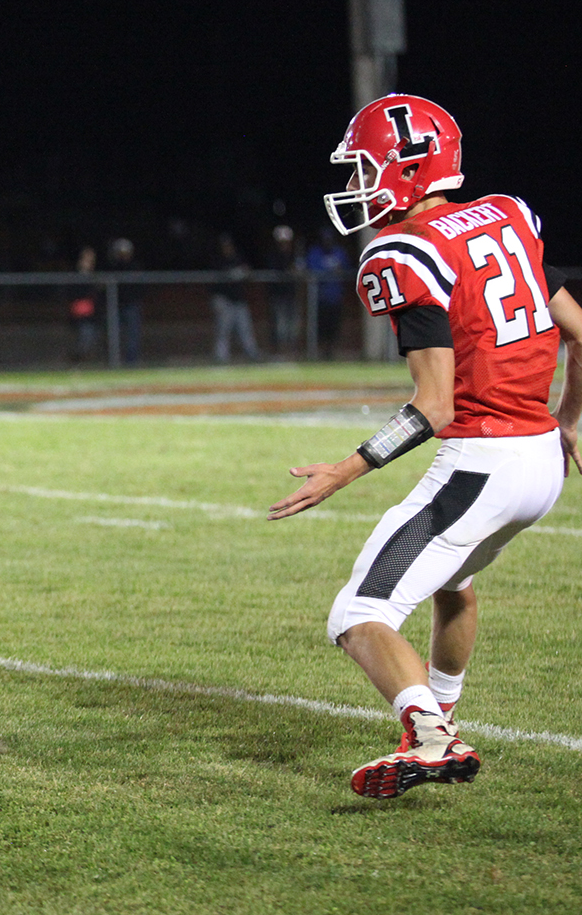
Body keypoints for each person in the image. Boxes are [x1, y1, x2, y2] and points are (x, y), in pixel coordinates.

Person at [269, 94, 582, 799]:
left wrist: (343, 471)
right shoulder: (506, 215)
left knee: (358, 615)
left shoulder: (405, 251)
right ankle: (442, 713)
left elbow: (434, 406)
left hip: (483, 460)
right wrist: (567, 419)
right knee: (454, 585)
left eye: (365, 168)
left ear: (406, 167)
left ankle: (432, 735)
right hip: (538, 461)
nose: (357, 186)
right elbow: (579, 331)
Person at [209, 232, 261, 363]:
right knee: (223, 329)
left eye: (229, 245)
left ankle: (252, 353)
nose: (227, 248)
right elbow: (219, 277)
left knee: (245, 328)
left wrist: (244, 272)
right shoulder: (217, 259)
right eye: (224, 246)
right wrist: (235, 273)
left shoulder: (238, 257)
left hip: (238, 299)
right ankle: (221, 356)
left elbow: (247, 270)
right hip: (223, 299)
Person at [305, 227, 349, 354]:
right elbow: (312, 270)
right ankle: (319, 351)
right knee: (320, 326)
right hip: (319, 296)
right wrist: (329, 272)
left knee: (334, 325)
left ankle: (332, 350)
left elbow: (346, 269)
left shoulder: (339, 252)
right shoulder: (315, 253)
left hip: (336, 295)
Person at [106, 236, 144, 364]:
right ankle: (114, 361)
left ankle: (131, 362)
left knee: (133, 335)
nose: (123, 255)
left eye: (125, 252)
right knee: (114, 334)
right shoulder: (114, 266)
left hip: (131, 305)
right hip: (116, 304)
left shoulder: (135, 266)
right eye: (120, 252)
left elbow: (139, 287)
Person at [267, 223, 303, 354]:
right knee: (280, 325)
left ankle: (292, 351)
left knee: (293, 325)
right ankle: (281, 351)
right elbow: (276, 271)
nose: (284, 245)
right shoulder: (273, 256)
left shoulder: (294, 255)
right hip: (279, 295)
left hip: (292, 294)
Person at [69, 245, 101, 362]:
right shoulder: (77, 275)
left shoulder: (94, 275)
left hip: (92, 313)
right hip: (81, 312)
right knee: (85, 337)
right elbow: (75, 293)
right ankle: (76, 360)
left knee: (92, 337)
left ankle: (82, 361)